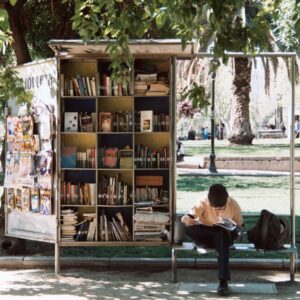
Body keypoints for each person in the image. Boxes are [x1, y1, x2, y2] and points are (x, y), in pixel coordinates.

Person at [181, 184, 243, 296]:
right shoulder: (203, 201)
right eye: (215, 207)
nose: (218, 210)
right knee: (187, 228)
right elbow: (188, 217)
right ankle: (209, 239)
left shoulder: (233, 204)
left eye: (221, 207)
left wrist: (236, 229)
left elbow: (240, 225)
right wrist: (186, 219)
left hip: (225, 235)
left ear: (227, 199)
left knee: (221, 234)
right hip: (207, 233)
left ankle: (223, 282)